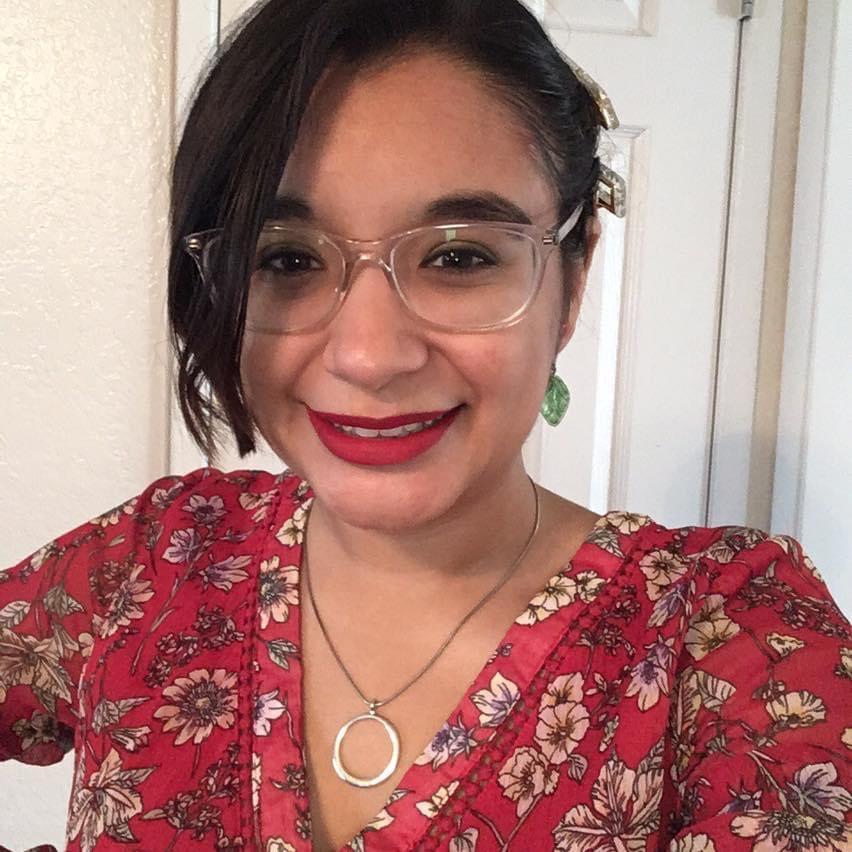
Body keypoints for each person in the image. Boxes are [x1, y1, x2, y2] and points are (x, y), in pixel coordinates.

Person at [1, 0, 850, 849]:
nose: (370, 356)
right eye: (285, 258)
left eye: (458, 256)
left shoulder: (729, 640)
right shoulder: (155, 560)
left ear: (573, 277)